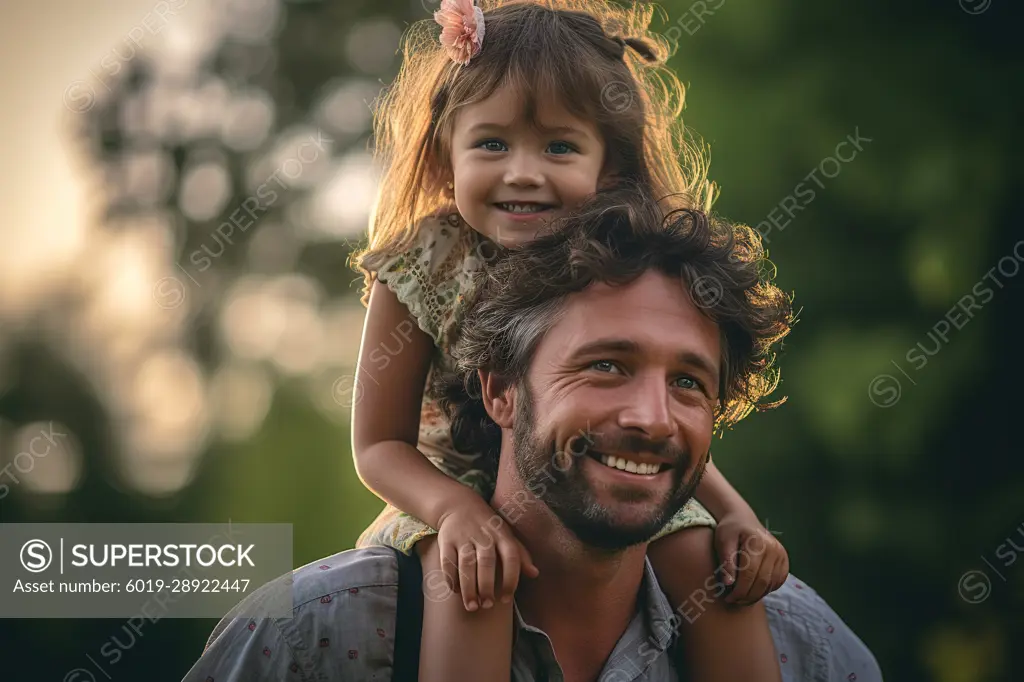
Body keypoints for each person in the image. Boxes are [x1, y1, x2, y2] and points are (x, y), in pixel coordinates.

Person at [179, 186, 883, 681]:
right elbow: (377, 445)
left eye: (689, 383)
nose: (653, 417)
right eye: (606, 365)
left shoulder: (808, 654)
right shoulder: (311, 640)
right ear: (500, 390)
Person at [349, 2, 790, 679]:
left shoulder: (615, 265)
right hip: (447, 491)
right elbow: (378, 446)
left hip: (597, 473)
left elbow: (646, 429)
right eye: (491, 143)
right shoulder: (422, 261)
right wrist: (457, 512)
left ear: (608, 167)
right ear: (445, 150)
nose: (523, 172)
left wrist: (740, 518)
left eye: (559, 147)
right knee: (473, 578)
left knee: (712, 571)